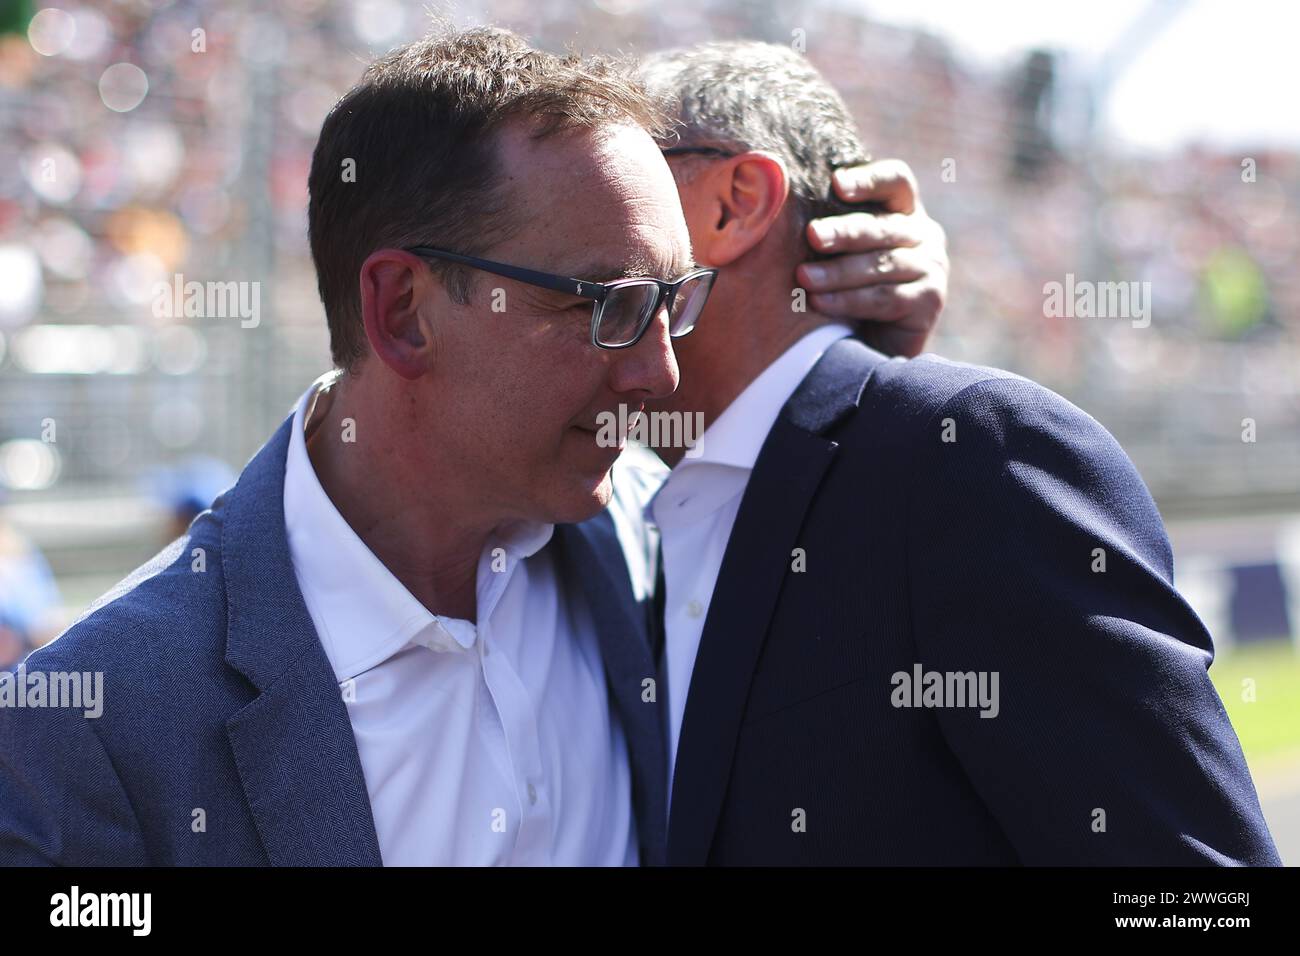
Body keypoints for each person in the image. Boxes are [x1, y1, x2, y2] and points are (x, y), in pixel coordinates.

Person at [0, 27, 946, 866]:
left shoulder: (657, 539)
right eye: (607, 306)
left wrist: (875, 368)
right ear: (402, 313)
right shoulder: (92, 727)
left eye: (672, 302)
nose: (658, 374)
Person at [617, 41, 1282, 865]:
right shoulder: (607, 513)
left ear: (734, 203)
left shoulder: (976, 448)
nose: (578, 225)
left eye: (622, 177)